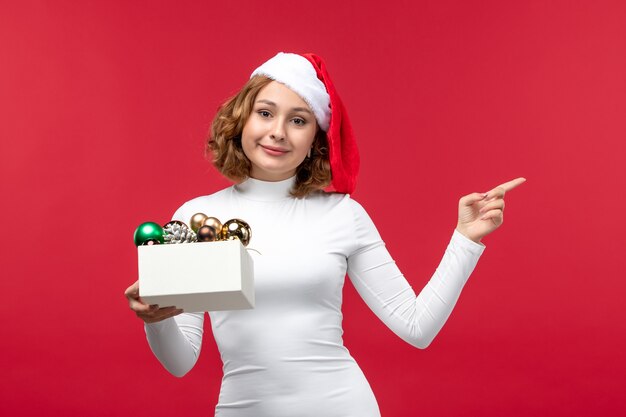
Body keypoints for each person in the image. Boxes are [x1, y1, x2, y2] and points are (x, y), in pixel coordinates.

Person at [125, 52, 525, 417]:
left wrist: (465, 239)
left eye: (298, 120)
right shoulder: (197, 218)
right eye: (265, 113)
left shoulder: (342, 215)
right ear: (241, 119)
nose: (278, 132)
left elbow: (416, 327)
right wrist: (156, 319)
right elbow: (181, 362)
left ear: (316, 139)